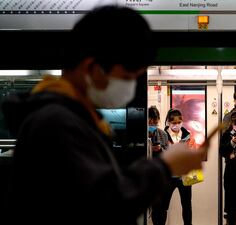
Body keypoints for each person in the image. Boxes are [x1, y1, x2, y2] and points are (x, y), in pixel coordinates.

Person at [1, 5, 206, 225]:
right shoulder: (55, 123)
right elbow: (106, 203)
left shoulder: (78, 118)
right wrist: (164, 166)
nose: (130, 88)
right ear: (92, 67)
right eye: (126, 77)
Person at [151, 108, 195, 225]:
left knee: (187, 206)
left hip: (184, 176)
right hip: (168, 176)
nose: (177, 125)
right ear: (168, 123)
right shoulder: (161, 135)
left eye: (179, 122)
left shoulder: (187, 135)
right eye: (174, 123)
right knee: (163, 206)